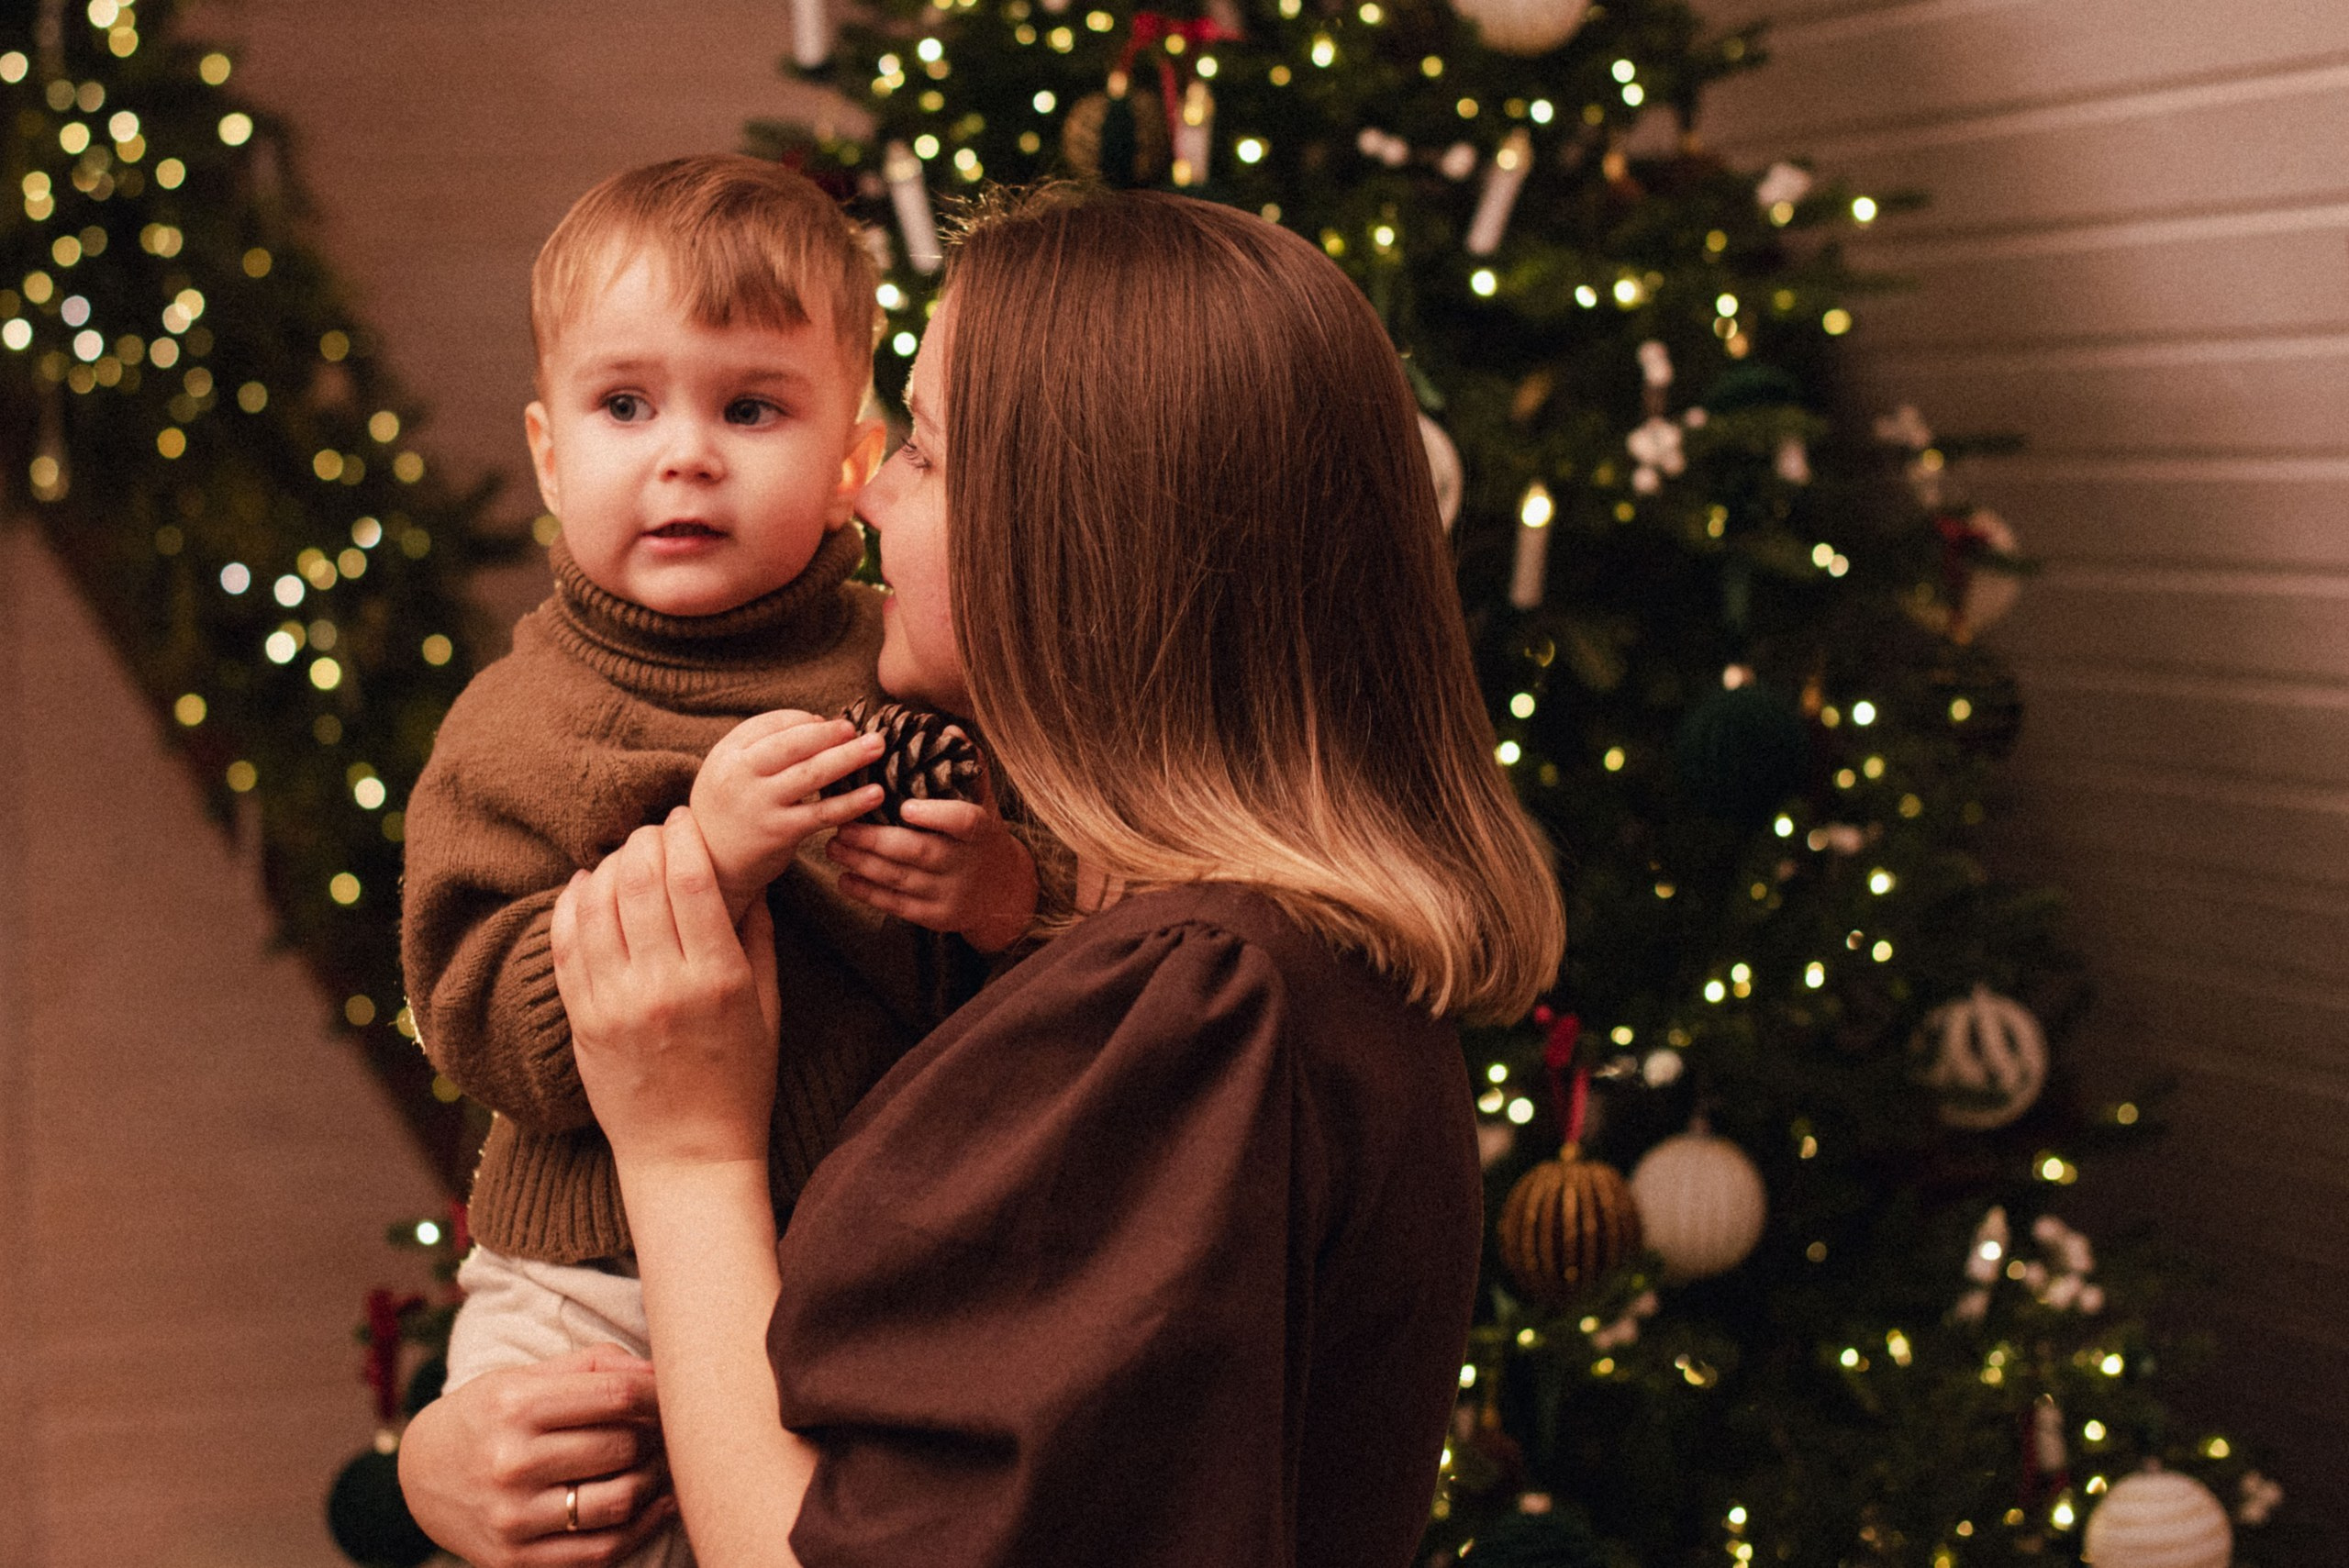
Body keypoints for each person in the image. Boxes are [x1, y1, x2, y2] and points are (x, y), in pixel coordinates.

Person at [400, 186, 1564, 1568]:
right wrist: (454, 1451)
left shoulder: (1201, 1009)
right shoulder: (1194, 966)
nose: (872, 485)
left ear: (1078, 544)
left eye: (930, 454)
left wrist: (689, 1149)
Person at [398, 154, 1038, 1566]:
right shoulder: (520, 726)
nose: (683, 453)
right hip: (593, 1274)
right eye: (625, 405)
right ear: (551, 453)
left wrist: (999, 894)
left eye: (751, 408)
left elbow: (1055, 958)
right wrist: (713, 861)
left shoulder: (912, 658)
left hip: (872, 1260)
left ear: (855, 462)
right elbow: (480, 1026)